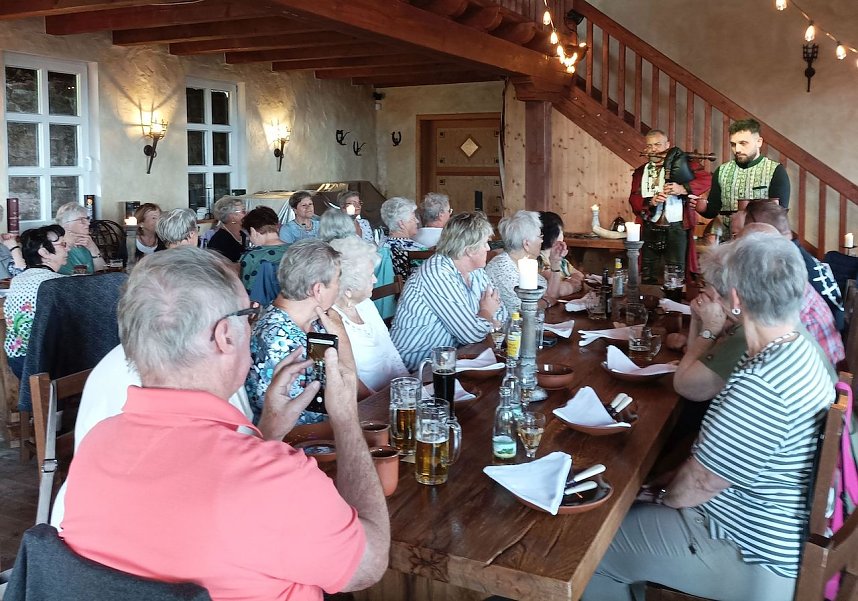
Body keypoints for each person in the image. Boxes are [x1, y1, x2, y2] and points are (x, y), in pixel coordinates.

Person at [60, 247, 389, 600]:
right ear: (224, 336)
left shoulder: (96, 445)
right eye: (249, 314)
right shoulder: (271, 477)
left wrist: (269, 432)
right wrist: (346, 420)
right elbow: (369, 564)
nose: (255, 323)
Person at [584, 233, 836, 601]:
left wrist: (657, 494)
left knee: (594, 549)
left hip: (753, 554)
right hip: (776, 528)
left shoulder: (763, 384)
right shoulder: (797, 347)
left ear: (735, 299)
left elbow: (693, 488)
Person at [49, 341, 253, 529]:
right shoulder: (202, 371)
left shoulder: (126, 359)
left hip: (77, 525)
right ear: (222, 333)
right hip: (132, 530)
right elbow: (240, 480)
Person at [245, 239, 354, 424]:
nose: (340, 288)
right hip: (303, 445)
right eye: (338, 281)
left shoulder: (317, 322)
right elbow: (298, 426)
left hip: (330, 431)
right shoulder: (275, 341)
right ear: (317, 290)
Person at [391, 212, 505, 371]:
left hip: (455, 358)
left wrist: (487, 318)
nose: (488, 248)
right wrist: (486, 311)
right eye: (485, 243)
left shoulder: (475, 270)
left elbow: (501, 313)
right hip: (417, 368)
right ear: (469, 250)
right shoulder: (437, 274)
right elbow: (471, 334)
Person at [744, 200, 845, 331]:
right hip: (831, 339)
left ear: (758, 230)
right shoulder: (799, 255)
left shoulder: (783, 265)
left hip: (816, 343)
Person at [628, 129, 711, 282]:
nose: (653, 149)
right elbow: (633, 199)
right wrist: (650, 202)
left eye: (658, 145)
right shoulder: (641, 171)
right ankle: (649, 299)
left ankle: (674, 302)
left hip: (677, 227)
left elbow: (706, 179)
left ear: (668, 145)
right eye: (650, 145)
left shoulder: (685, 165)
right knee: (648, 271)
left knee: (676, 272)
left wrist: (682, 188)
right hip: (649, 227)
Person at [329, 237, 408, 395]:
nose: (375, 280)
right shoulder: (332, 320)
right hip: (367, 404)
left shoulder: (365, 304)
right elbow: (352, 385)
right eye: (370, 275)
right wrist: (382, 402)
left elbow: (391, 353)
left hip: (394, 395)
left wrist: (408, 387)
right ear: (348, 290)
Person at [693, 118, 791, 237]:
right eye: (733, 144)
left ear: (759, 142)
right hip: (727, 242)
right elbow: (713, 211)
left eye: (743, 143)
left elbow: (779, 216)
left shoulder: (775, 171)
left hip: (762, 242)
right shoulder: (722, 171)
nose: (737, 149)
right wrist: (701, 208)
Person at [3, 225, 68, 378]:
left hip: (18, 359)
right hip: (49, 362)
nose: (68, 249)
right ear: (44, 252)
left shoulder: (18, 280)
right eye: (63, 245)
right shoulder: (58, 283)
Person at [485, 210, 566, 313]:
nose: (542, 240)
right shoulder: (501, 267)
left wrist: (555, 262)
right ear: (526, 244)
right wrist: (545, 302)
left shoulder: (526, 264)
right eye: (540, 236)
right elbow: (520, 309)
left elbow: (552, 295)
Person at [239, 206, 288, 298]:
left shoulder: (252, 257)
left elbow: (245, 292)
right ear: (277, 226)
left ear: (253, 231)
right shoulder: (296, 250)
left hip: (263, 308)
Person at [380, 197, 427, 281]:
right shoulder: (419, 250)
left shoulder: (380, 246)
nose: (417, 221)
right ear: (401, 223)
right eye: (413, 218)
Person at [538, 211, 584, 296]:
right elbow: (559, 290)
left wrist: (568, 282)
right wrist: (572, 284)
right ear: (555, 236)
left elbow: (580, 275)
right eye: (561, 231)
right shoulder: (539, 261)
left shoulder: (562, 261)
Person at [55, 202, 106, 274]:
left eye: (87, 219)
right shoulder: (58, 245)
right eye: (81, 220)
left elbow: (103, 273)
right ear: (65, 224)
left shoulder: (87, 242)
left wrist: (94, 250)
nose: (88, 223)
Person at [206, 196, 247, 262]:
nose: (246, 214)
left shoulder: (243, 234)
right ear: (232, 216)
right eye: (243, 211)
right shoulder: (218, 241)